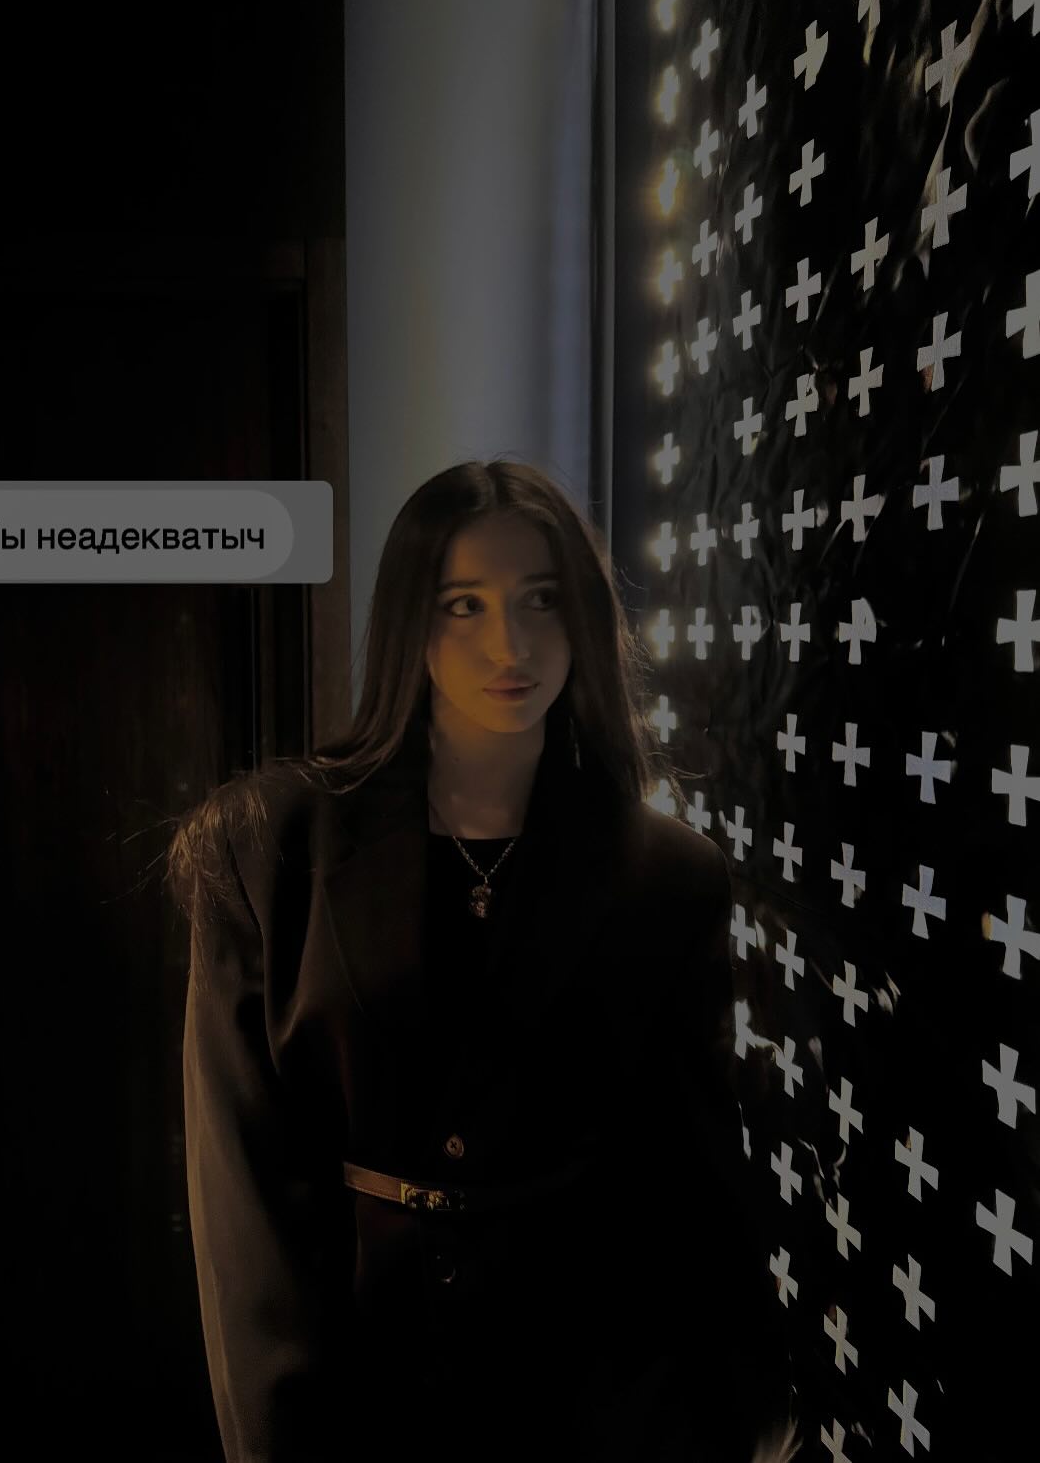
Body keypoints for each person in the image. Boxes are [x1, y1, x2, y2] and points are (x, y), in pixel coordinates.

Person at [167, 460, 799, 1463]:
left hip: (601, 1397)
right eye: (465, 604)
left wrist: (740, 1407)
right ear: (410, 621)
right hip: (361, 1395)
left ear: (582, 617)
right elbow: (244, 1188)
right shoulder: (267, 848)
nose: (510, 644)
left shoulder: (670, 877)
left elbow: (693, 1174)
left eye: (541, 600)